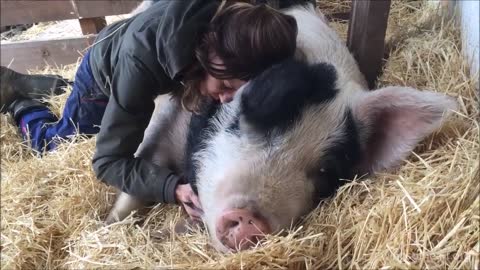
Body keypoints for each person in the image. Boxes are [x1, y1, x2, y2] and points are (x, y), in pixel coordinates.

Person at [0, 0, 306, 220]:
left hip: (126, 48)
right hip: (100, 77)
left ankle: (48, 84)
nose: (227, 99)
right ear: (209, 59)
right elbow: (107, 162)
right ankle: (22, 103)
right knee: (57, 142)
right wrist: (171, 188)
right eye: (225, 86)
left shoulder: (231, 23)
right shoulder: (141, 66)